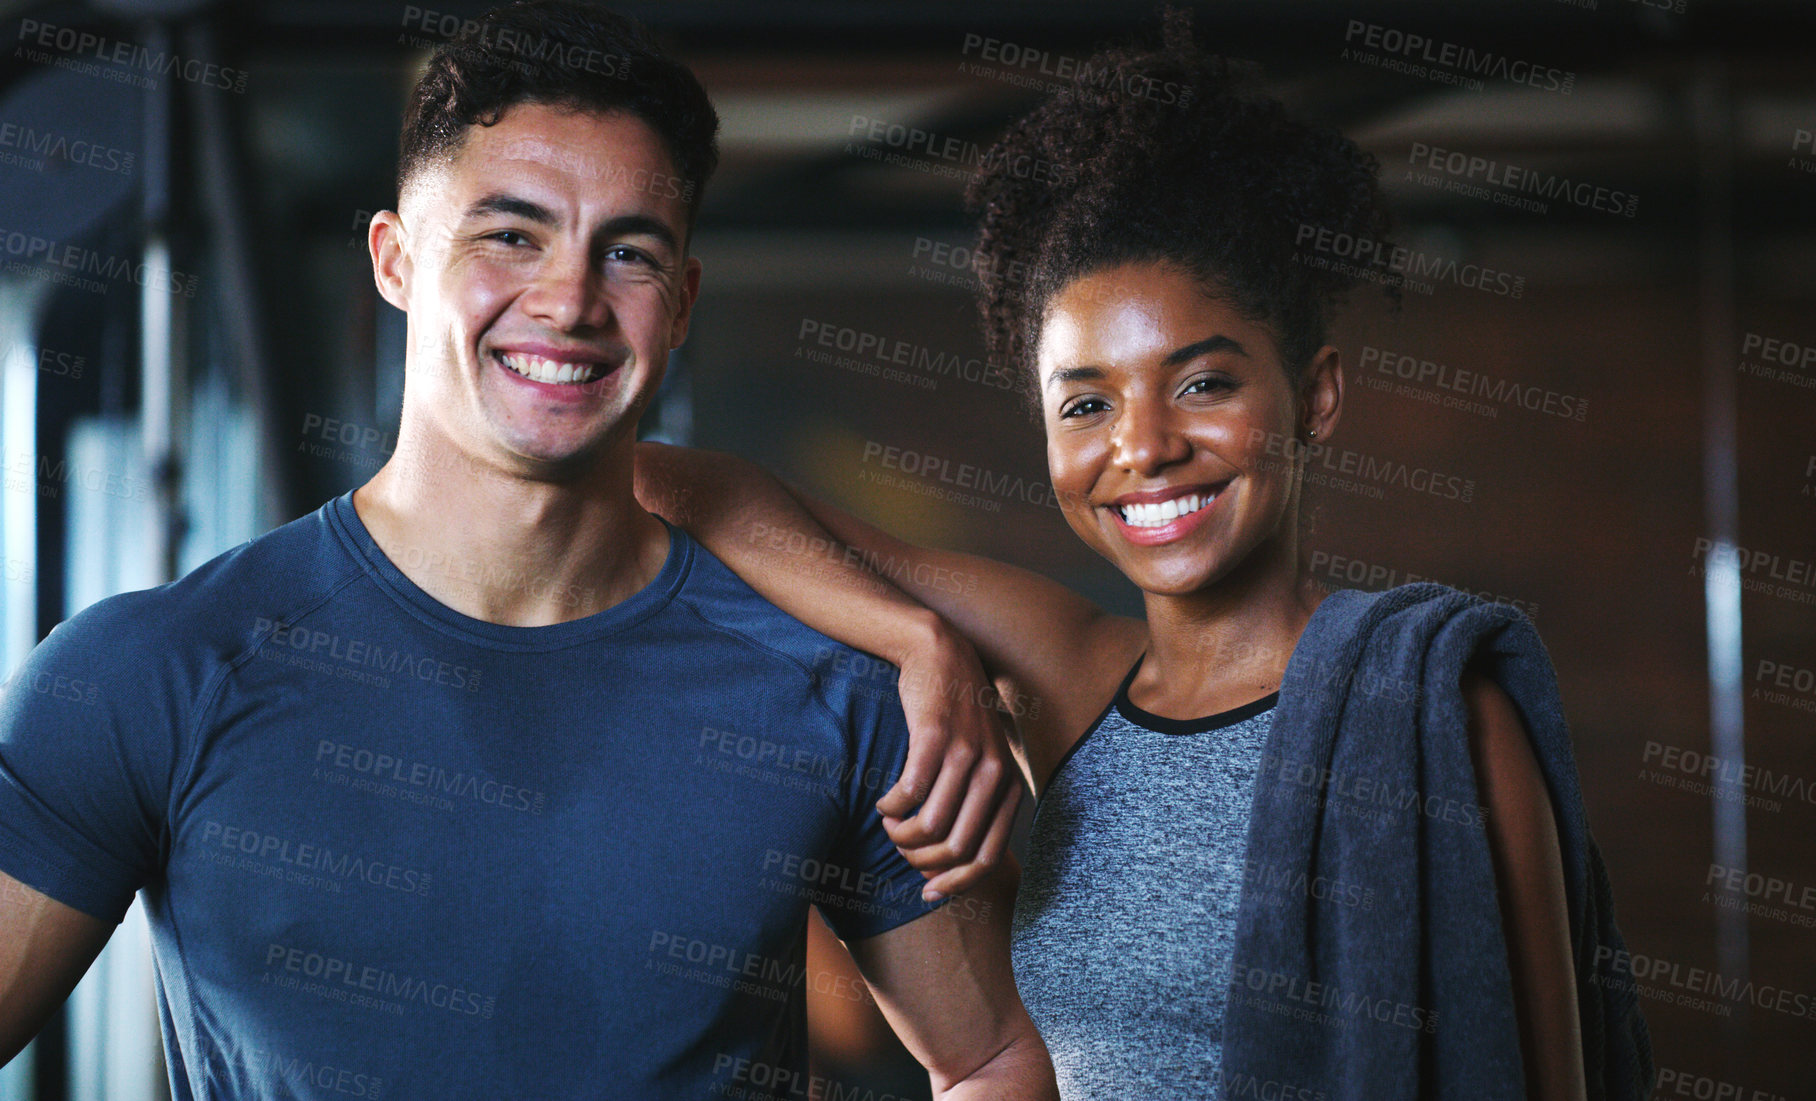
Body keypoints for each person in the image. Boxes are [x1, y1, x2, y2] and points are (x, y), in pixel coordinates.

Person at [0, 3, 1052, 1097]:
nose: (567, 301)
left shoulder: (834, 693)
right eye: (509, 235)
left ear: (682, 303)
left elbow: (993, 1058)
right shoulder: (149, 675)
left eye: (629, 253)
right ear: (396, 260)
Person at [636, 18, 1652, 1101]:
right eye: (1085, 403)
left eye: (1204, 383)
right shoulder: (1068, 676)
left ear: (1314, 395)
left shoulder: (1430, 704)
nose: (1143, 447)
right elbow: (666, 482)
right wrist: (918, 641)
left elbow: (1546, 1078)